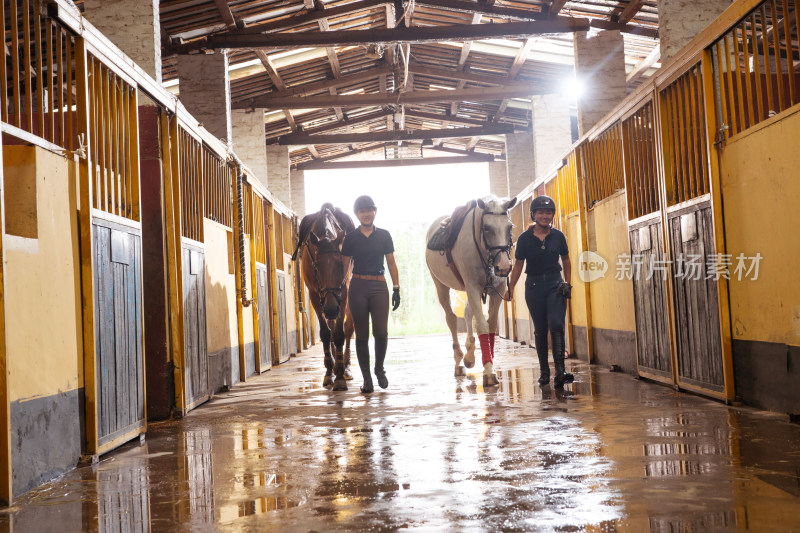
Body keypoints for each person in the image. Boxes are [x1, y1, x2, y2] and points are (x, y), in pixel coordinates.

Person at [505, 195, 574, 388]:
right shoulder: (524, 239)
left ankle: (560, 372)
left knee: (556, 324)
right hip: (534, 287)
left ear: (552, 214)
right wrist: (510, 288)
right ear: (534, 214)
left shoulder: (558, 236)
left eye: (548, 212)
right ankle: (545, 372)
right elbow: (518, 265)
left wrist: (568, 282)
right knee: (541, 329)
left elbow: (566, 259)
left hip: (555, 285)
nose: (545, 216)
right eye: (541, 212)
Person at [341, 195, 401, 394]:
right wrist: (342, 289)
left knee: (381, 333)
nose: (366, 214)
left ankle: (379, 369)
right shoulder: (350, 238)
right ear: (357, 214)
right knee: (362, 335)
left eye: (370, 210)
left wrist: (396, 288)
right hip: (357, 286)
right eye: (362, 211)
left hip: (379, 287)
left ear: (375, 212)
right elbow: (344, 267)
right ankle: (367, 378)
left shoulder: (384, 235)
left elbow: (391, 262)